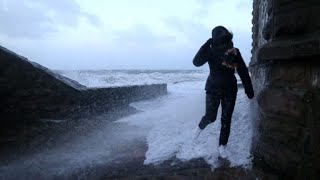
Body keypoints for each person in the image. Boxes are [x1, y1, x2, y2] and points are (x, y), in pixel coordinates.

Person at [192, 26, 254, 158]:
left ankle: (222, 146)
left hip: (230, 90)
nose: (223, 42)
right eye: (220, 39)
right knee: (210, 117)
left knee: (226, 120)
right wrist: (206, 44)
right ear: (214, 39)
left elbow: (242, 71)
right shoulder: (210, 51)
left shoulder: (234, 52)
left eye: (224, 38)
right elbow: (196, 62)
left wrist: (249, 90)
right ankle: (198, 130)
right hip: (212, 89)